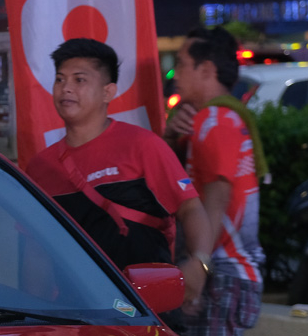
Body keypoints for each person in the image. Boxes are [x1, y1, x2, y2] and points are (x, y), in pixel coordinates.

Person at [23, 38, 214, 311]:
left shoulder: (142, 146)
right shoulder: (41, 167)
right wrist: (37, 311)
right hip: (75, 313)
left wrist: (200, 264)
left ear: (107, 92)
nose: (66, 88)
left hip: (146, 310)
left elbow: (190, 206)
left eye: (79, 80)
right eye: (60, 79)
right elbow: (36, 249)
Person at [165, 25, 266, 336]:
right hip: (224, 271)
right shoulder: (213, 118)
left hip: (220, 271)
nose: (174, 73)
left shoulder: (215, 120)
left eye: (180, 64)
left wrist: (199, 265)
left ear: (206, 70)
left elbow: (218, 194)